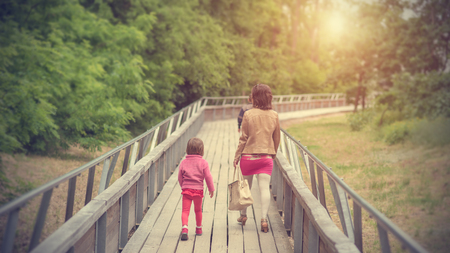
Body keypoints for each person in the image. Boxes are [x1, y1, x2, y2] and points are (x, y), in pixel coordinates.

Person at [233, 84, 280, 233]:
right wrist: (273, 153)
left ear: (254, 97)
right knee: (264, 188)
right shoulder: (274, 115)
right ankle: (264, 220)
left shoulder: (248, 114)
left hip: (248, 157)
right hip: (265, 158)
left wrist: (236, 156)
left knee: (246, 187)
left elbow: (243, 138)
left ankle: (243, 215)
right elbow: (276, 138)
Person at [178, 137, 215, 241]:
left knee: (185, 211)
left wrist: (183, 186)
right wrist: (211, 189)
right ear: (201, 150)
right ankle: (198, 229)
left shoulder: (184, 162)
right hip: (198, 191)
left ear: (188, 149)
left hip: (186, 190)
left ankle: (184, 228)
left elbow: (180, 177)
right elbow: (208, 176)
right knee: (198, 210)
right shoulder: (203, 163)